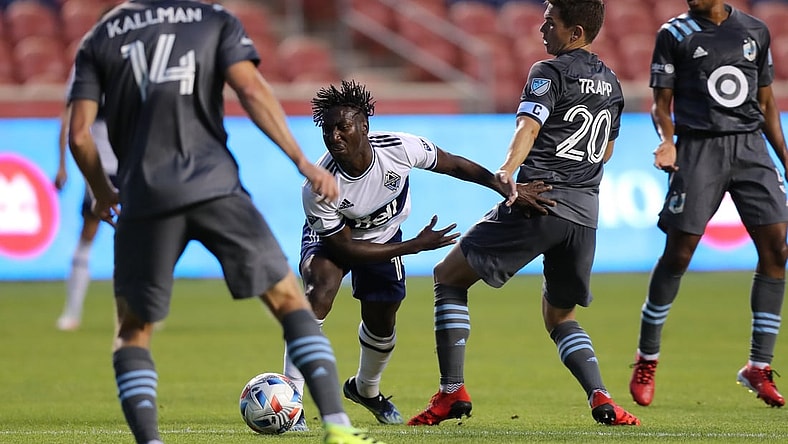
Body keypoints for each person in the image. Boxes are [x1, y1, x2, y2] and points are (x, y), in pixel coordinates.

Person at [67, 2, 386, 443]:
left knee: (133, 331)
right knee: (292, 301)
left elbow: (79, 134)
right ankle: (337, 425)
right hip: (215, 186)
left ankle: (150, 440)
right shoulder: (212, 19)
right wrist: (302, 162)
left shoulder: (100, 37)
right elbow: (252, 91)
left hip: (145, 197)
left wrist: (102, 191)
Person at [408, 0, 641, 427]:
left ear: (575, 33)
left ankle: (450, 392)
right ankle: (601, 397)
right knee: (560, 315)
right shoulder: (613, 84)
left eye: (550, 22)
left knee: (447, 276)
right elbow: (606, 150)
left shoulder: (547, 73)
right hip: (584, 215)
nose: (541, 29)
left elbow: (528, 127)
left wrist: (507, 171)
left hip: (539, 201)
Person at [282, 80, 555, 429]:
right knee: (318, 291)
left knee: (382, 324)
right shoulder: (318, 186)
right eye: (328, 129)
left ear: (364, 126)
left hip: (384, 236)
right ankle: (291, 401)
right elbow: (344, 248)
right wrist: (414, 246)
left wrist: (506, 188)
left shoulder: (399, 148)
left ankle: (366, 389)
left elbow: (454, 165)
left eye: (342, 127)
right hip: (337, 240)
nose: (334, 136)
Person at [629, 0, 788, 408]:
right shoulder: (674, 34)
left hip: (750, 146)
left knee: (777, 250)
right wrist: (666, 141)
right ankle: (647, 357)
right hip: (699, 149)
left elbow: (767, 103)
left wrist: (785, 161)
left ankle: (758, 366)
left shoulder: (754, 30)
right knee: (679, 254)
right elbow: (660, 104)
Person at [54, 66, 118, 332]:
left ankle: (139, 312)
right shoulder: (89, 66)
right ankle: (72, 311)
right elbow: (69, 121)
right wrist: (62, 165)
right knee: (89, 234)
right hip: (99, 170)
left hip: (134, 169)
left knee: (141, 242)